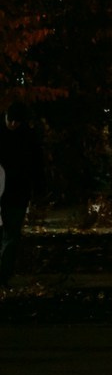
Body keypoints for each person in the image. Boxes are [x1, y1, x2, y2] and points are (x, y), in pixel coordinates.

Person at [0, 108, 45, 288]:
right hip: (11, 190)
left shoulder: (27, 136)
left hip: (17, 192)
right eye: (11, 121)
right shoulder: (26, 135)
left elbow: (36, 164)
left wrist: (38, 188)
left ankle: (4, 274)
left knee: (11, 234)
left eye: (16, 122)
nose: (13, 125)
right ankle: (4, 273)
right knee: (9, 234)